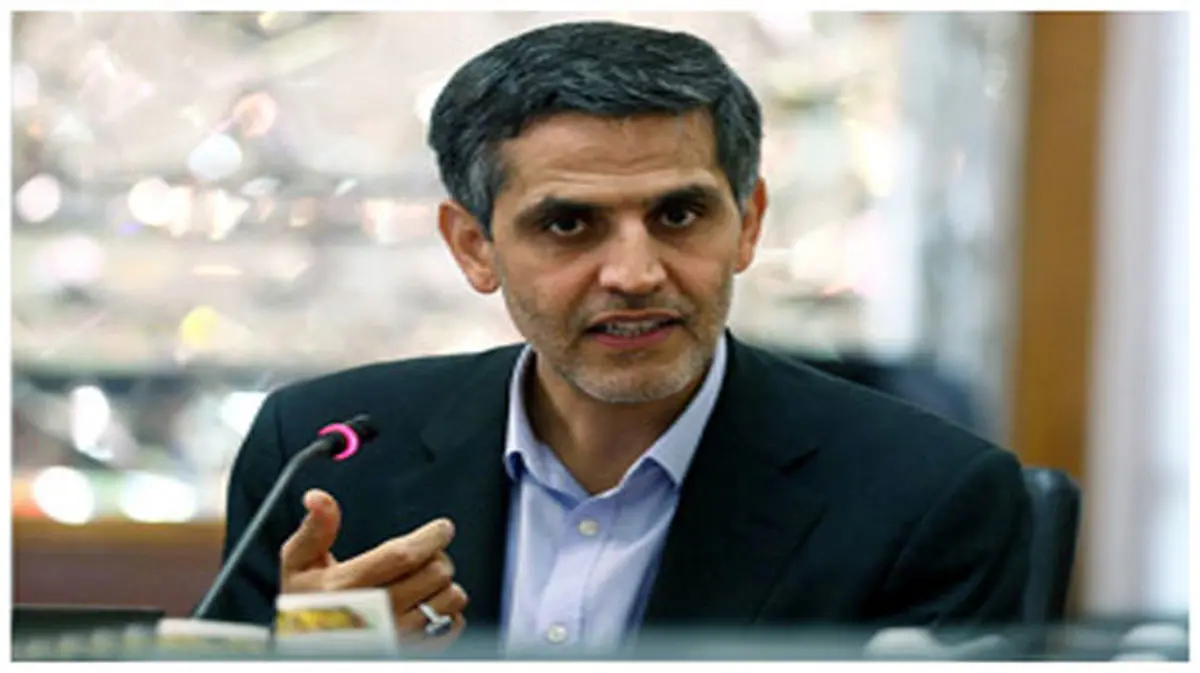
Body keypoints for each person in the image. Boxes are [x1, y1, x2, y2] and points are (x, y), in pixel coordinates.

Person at [205, 20, 1032, 656]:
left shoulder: (930, 497)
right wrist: (321, 655)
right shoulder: (321, 457)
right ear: (474, 247)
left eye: (679, 214)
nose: (635, 273)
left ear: (748, 224)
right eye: (569, 223)